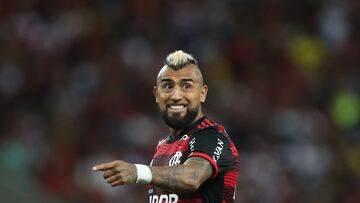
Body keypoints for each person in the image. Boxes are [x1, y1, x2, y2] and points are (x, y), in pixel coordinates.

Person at [93, 50, 239, 203]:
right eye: (168, 86)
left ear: (202, 93)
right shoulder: (163, 146)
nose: (176, 96)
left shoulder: (212, 137)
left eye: (186, 86)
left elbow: (192, 177)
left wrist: (137, 171)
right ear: (157, 94)